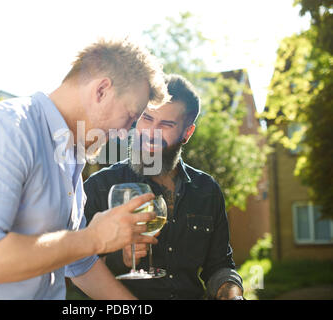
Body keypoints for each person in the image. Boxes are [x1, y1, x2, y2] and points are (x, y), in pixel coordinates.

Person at [0, 38, 170, 299]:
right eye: (130, 117)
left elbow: (79, 262)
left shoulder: (69, 154)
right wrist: (95, 238)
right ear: (101, 90)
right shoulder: (7, 128)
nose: (125, 134)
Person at [83, 74, 244, 300]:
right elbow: (75, 266)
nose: (151, 133)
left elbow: (219, 265)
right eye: (147, 118)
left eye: (166, 125)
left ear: (187, 134)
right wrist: (120, 259)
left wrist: (233, 295)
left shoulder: (207, 190)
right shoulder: (100, 187)